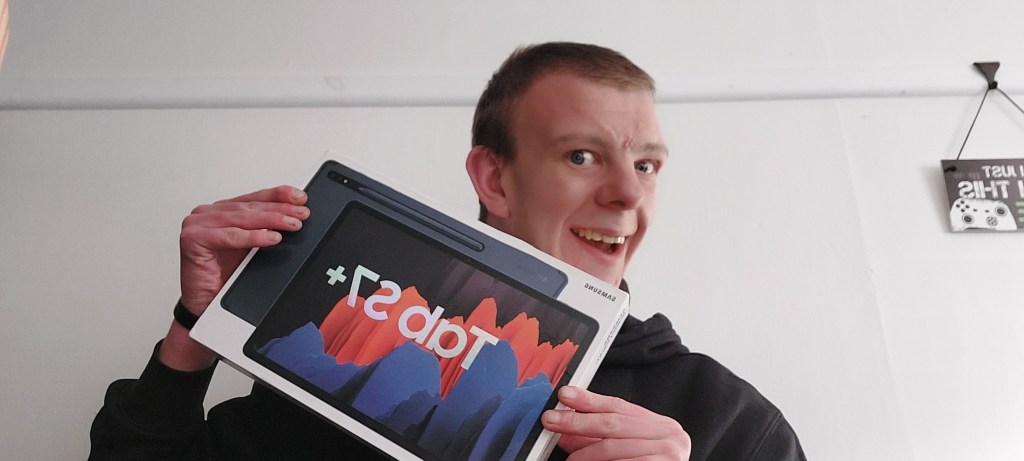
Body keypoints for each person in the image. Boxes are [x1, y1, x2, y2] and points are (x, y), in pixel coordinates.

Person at [90, 42, 805, 461]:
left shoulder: (727, 419)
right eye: (582, 156)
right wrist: (195, 331)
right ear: (495, 179)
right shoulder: (347, 348)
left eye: (646, 164)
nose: (627, 193)